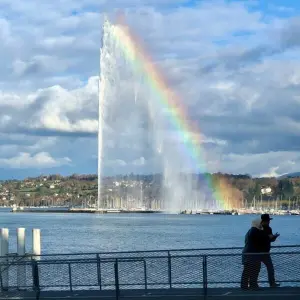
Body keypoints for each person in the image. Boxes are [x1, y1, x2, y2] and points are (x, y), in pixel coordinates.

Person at [241, 218, 268, 290]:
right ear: (258, 223)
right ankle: (251, 285)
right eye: (261, 223)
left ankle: (247, 285)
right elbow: (259, 240)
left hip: (249, 253)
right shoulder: (254, 230)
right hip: (251, 254)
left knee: (249, 270)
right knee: (252, 269)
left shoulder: (251, 230)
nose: (262, 224)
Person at [261, 214, 280, 288]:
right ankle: (253, 284)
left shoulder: (269, 229)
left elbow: (270, 239)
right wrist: (269, 237)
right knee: (256, 269)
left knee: (270, 268)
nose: (269, 222)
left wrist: (274, 237)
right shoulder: (259, 229)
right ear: (264, 221)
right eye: (268, 220)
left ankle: (272, 283)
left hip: (266, 251)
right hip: (258, 251)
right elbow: (262, 239)